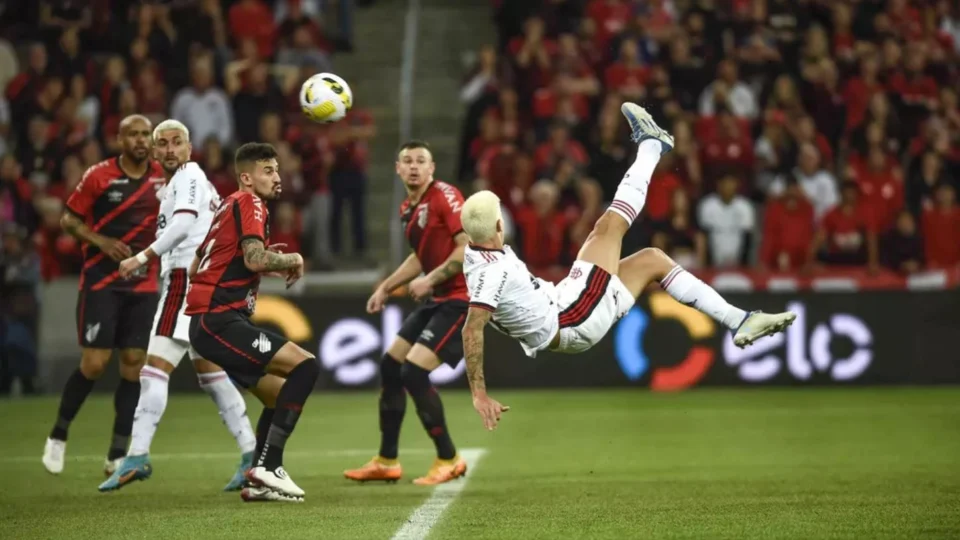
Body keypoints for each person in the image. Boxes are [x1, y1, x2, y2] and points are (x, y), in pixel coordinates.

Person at [460, 104, 797, 430]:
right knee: (608, 226)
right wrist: (479, 395)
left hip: (565, 306)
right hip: (571, 316)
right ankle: (652, 145)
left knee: (652, 260)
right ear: (500, 226)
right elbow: (472, 327)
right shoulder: (492, 271)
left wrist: (429, 280)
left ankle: (740, 320)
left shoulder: (474, 253)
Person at [98, 120, 257, 493]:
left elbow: (185, 223)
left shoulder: (188, 176)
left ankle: (136, 455)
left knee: (153, 370)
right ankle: (251, 454)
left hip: (186, 282)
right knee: (211, 375)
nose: (170, 150)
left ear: (189, 148)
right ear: (154, 152)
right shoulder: (185, 182)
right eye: (163, 144)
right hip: (202, 282)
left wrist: (141, 258)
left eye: (177, 142)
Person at [186, 142, 317, 503]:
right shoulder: (249, 202)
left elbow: (199, 266)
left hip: (209, 323)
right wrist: (292, 256)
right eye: (268, 170)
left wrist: (267, 262)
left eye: (277, 169)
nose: (277, 177)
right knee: (306, 367)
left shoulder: (227, 205)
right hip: (220, 320)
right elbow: (255, 259)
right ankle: (269, 466)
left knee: (277, 396)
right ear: (247, 177)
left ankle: (258, 483)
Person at [43, 115, 163, 476]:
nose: (141, 140)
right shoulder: (99, 175)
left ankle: (116, 452)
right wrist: (101, 241)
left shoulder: (164, 176)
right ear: (119, 139)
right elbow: (68, 220)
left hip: (143, 285)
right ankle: (59, 434)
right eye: (134, 134)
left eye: (146, 134)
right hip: (101, 282)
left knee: (133, 364)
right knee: (95, 364)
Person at [343, 140, 468, 486]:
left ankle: (449, 458)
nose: (414, 166)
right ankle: (387, 460)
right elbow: (419, 256)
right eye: (407, 161)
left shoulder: (444, 195)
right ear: (398, 169)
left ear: (432, 169)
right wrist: (386, 287)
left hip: (460, 300)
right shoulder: (408, 208)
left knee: (414, 372)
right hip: (436, 300)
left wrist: (430, 279)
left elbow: (465, 247)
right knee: (391, 366)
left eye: (421, 161)